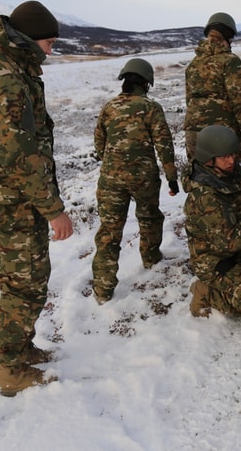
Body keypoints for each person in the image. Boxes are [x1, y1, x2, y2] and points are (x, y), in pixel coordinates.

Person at [0, 0, 74, 397]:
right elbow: (21, 154)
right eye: (49, 42)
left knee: (25, 277)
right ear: (29, 38)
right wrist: (54, 210)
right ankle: (11, 370)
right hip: (13, 197)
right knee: (24, 283)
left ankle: (21, 349)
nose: (51, 50)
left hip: (5, 190)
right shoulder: (7, 77)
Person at [92, 58, 179, 304]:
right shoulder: (151, 107)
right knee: (149, 218)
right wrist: (172, 178)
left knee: (109, 231)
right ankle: (151, 259)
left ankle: (102, 289)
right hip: (144, 177)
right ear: (146, 83)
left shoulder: (109, 107)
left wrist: (113, 163)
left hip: (111, 179)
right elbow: (164, 145)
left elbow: (99, 143)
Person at [182, 125, 241, 318]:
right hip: (217, 260)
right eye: (224, 156)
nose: (231, 160)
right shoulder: (205, 196)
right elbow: (230, 240)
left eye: (232, 154)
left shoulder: (229, 172)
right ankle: (206, 293)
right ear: (209, 159)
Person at [184, 12, 241, 171]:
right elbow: (240, 102)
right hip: (224, 135)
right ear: (228, 36)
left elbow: (188, 100)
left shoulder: (192, 65)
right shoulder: (230, 61)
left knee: (200, 176)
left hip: (194, 135)